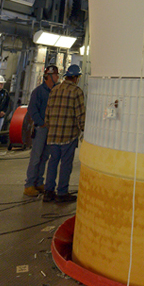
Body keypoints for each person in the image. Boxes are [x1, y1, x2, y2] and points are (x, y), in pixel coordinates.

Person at [43, 63, 85, 203]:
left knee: (52, 163)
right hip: (68, 135)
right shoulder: (77, 91)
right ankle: (62, 193)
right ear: (76, 77)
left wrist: (51, 128)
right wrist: (84, 130)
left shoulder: (54, 90)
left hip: (53, 135)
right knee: (66, 165)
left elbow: (47, 113)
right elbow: (80, 114)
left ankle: (48, 192)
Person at [23, 64, 60, 197]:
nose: (57, 77)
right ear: (48, 76)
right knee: (36, 157)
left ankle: (39, 182)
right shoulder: (38, 92)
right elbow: (32, 109)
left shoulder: (56, 90)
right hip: (41, 129)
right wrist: (41, 122)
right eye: (55, 75)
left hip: (50, 129)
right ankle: (29, 185)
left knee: (44, 157)